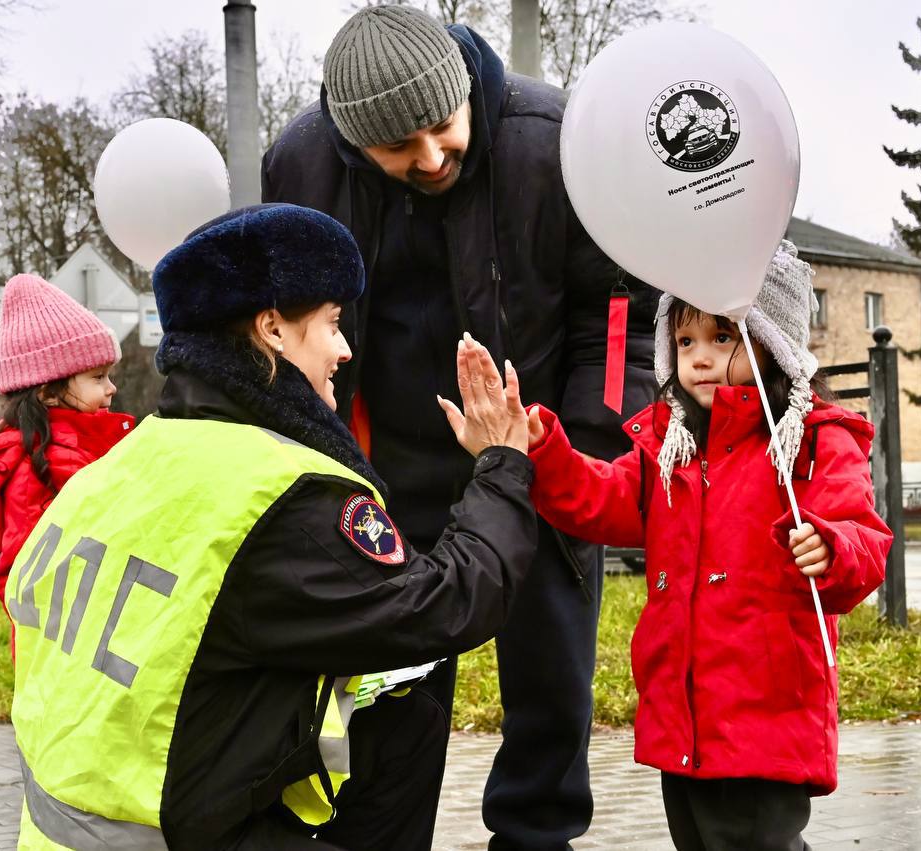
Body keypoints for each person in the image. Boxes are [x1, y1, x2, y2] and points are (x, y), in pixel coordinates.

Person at [7, 203, 541, 850]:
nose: (345, 349)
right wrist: (502, 463)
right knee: (413, 691)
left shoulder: (123, 463)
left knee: (384, 699)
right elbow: (447, 607)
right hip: (172, 838)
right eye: (333, 323)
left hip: (62, 830)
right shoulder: (280, 492)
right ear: (273, 330)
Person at [262, 6, 659, 846]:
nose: (432, 157)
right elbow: (286, 330)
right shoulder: (300, 164)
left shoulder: (556, 141)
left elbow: (614, 318)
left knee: (551, 685)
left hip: (539, 460)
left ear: (465, 92)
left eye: (443, 126)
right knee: (387, 693)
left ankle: (536, 837)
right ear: (351, 142)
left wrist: (585, 459)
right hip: (383, 473)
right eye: (398, 147)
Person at [513, 242, 892, 850]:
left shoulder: (811, 440)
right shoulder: (675, 448)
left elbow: (862, 532)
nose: (701, 359)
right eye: (685, 342)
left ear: (775, 341)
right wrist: (544, 449)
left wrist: (832, 546)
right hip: (682, 716)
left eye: (723, 337)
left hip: (767, 714)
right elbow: (603, 497)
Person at [0, 274, 135, 649]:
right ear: (48, 393)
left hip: (92, 639)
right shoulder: (38, 470)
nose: (111, 388)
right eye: (97, 377)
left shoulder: (77, 450)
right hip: (71, 651)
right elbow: (22, 577)